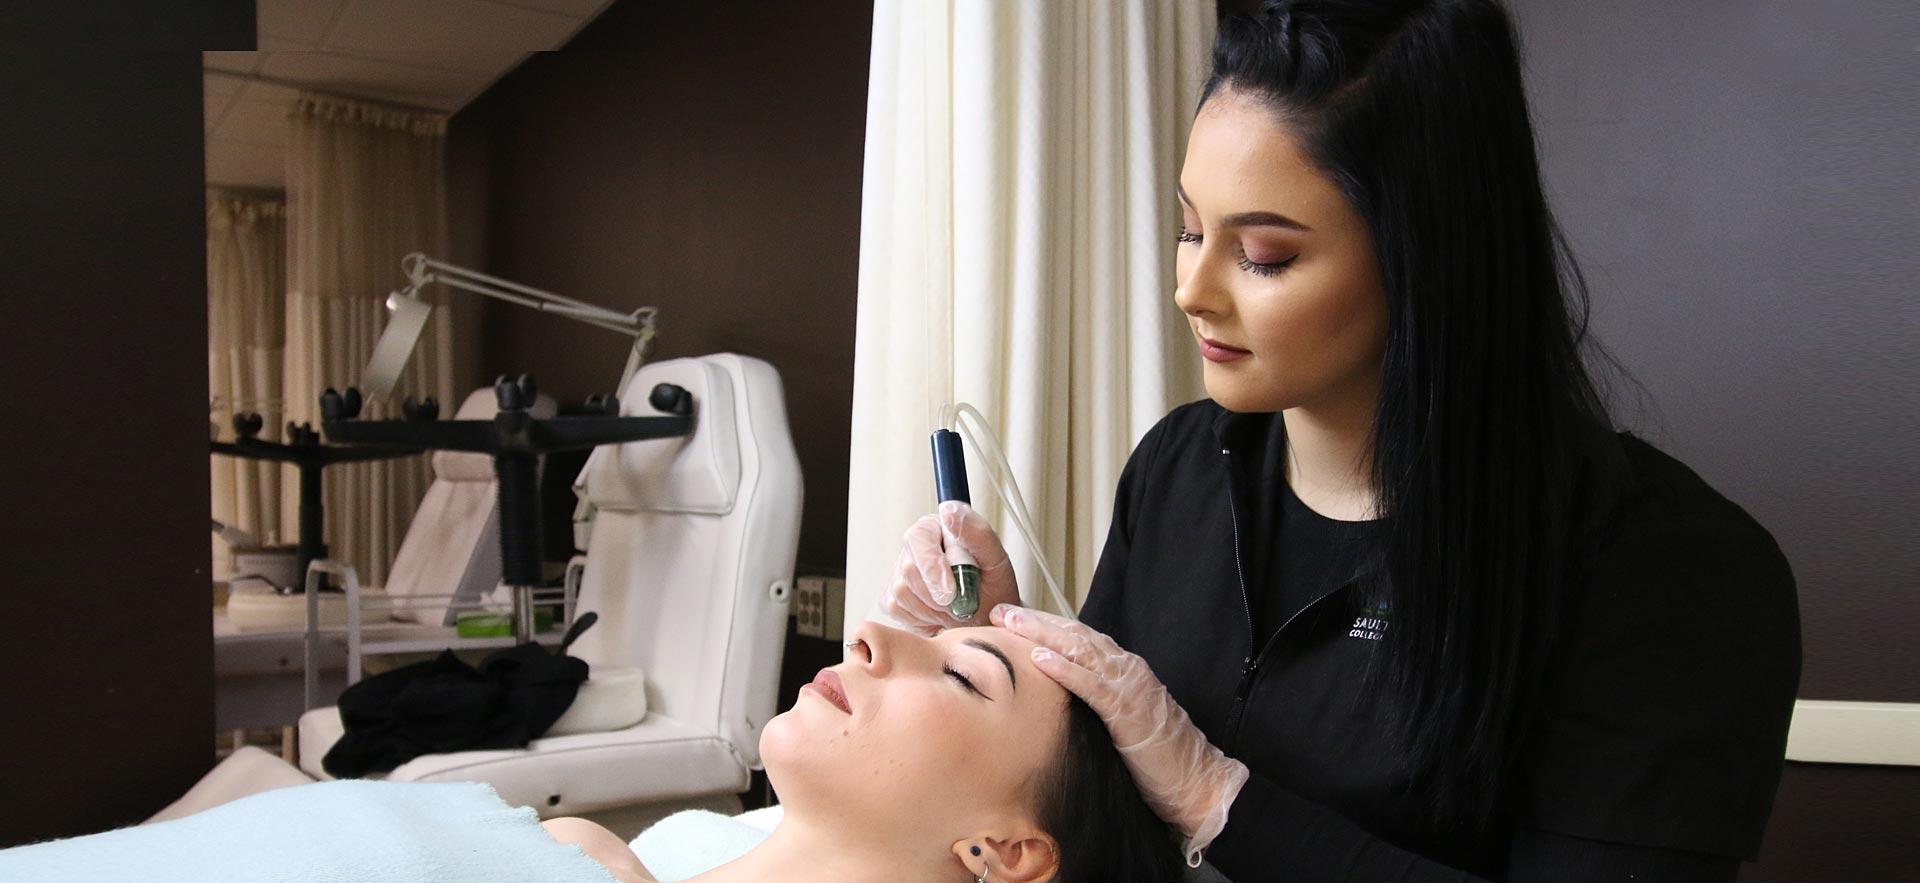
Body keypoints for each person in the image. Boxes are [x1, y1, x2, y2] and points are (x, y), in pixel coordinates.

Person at [885, 1, 1801, 881]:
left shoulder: (1665, 568)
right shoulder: (1178, 472)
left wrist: (1217, 797)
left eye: (1263, 255)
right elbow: (1100, 823)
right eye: (1189, 228)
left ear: (1428, 254)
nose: (1191, 290)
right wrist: (1008, 659)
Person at [545, 621, 1188, 882]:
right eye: (931, 637)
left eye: (962, 676)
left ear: (1008, 851)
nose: (869, 634)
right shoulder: (572, 854)